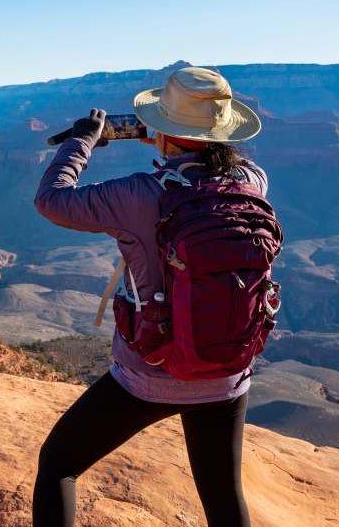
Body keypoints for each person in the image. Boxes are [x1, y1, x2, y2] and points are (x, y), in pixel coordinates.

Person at [31, 67, 268, 527]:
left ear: (166, 132)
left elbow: (53, 200)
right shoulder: (252, 184)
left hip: (150, 375)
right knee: (222, 495)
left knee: (59, 464)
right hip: (226, 374)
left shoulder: (141, 195)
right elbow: (224, 163)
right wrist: (169, 133)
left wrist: (84, 140)